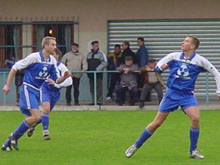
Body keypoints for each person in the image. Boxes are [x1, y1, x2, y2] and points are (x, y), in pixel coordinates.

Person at [125, 36, 220, 159]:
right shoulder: (173, 56)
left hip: (187, 95)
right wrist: (161, 68)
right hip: (171, 94)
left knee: (195, 118)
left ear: (192, 46)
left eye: (186, 41)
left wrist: (219, 92)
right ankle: (136, 145)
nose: (182, 42)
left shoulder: (200, 60)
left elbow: (216, 73)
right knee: (156, 123)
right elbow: (158, 66)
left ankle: (193, 151)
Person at [1, 36, 70, 151]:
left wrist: (64, 76)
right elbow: (15, 67)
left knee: (35, 118)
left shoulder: (52, 61)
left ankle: (7, 143)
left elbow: (56, 80)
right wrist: (7, 85)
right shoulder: (34, 57)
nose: (55, 47)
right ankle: (13, 136)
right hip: (28, 88)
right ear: (45, 46)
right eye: (52, 44)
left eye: (55, 44)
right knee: (37, 116)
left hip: (37, 90)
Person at [27, 48, 72, 140]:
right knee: (46, 109)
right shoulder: (45, 65)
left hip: (55, 93)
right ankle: (45, 133)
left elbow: (70, 81)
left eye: (53, 54)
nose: (51, 56)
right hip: (45, 90)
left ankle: (33, 124)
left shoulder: (62, 67)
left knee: (44, 114)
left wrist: (57, 84)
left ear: (57, 56)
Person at [87, 41, 107, 105]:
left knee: (99, 88)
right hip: (90, 74)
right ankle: (93, 101)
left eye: (97, 45)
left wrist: (97, 69)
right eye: (94, 45)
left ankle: (99, 101)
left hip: (98, 74)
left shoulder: (101, 54)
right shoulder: (89, 54)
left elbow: (105, 63)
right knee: (92, 88)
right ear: (92, 46)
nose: (96, 47)